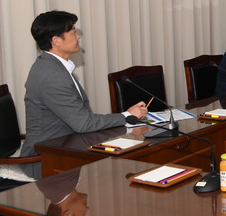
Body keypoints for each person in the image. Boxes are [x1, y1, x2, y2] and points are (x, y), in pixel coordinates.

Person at [23, 11, 148, 179]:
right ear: (56, 40)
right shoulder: (52, 75)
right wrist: (127, 116)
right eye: (73, 32)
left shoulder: (51, 66)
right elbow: (83, 123)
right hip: (46, 159)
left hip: (66, 146)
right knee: (115, 174)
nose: (78, 37)